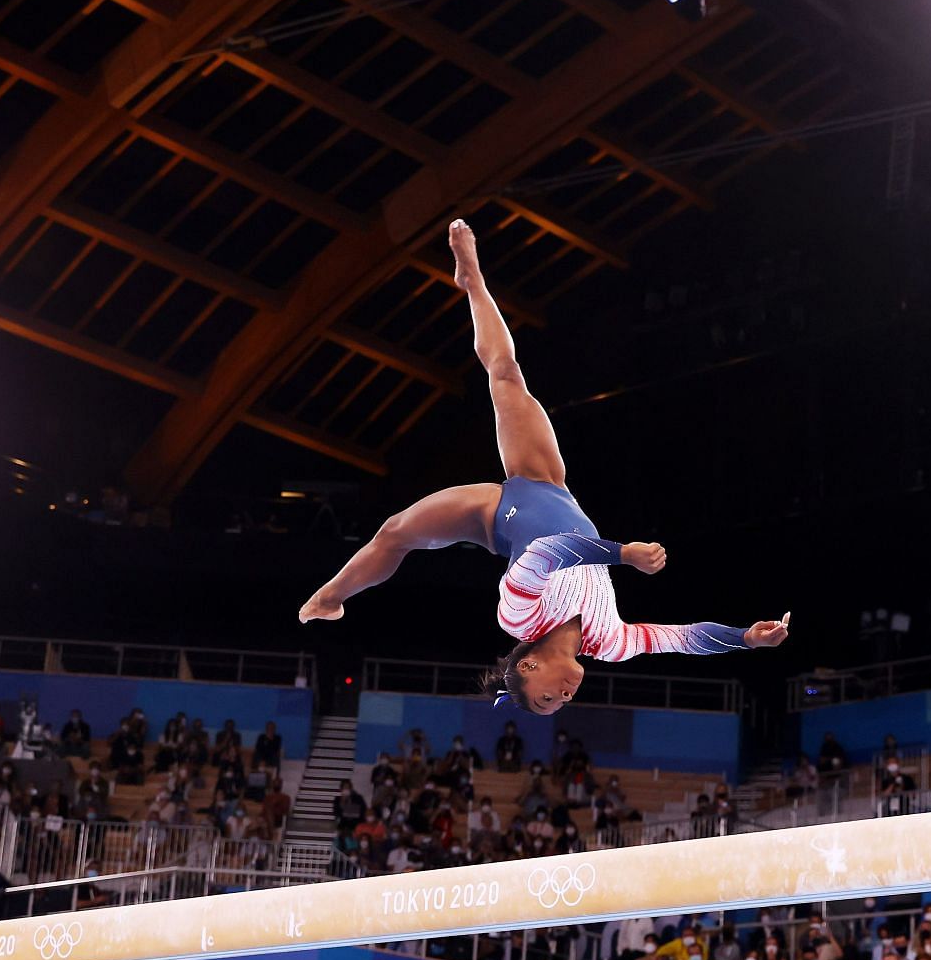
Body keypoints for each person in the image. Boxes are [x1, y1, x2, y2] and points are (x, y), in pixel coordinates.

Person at [297, 219, 792, 705]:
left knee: (393, 533)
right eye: (560, 705)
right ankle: (473, 281)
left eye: (545, 700)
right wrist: (746, 637)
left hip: (494, 514)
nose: (564, 698)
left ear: (528, 666)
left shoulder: (519, 618)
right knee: (508, 374)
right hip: (549, 487)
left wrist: (623, 555)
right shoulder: (610, 642)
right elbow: (682, 638)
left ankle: (331, 595)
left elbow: (549, 551)